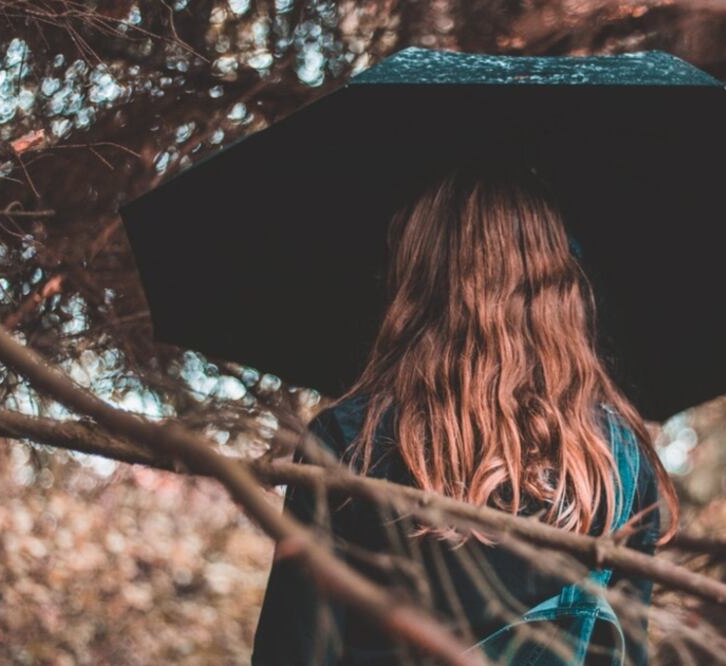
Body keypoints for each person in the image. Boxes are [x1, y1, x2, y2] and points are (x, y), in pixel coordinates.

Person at [251, 155, 679, 665]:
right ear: (560, 288)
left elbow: (291, 653)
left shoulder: (350, 440)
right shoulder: (619, 464)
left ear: (417, 279)